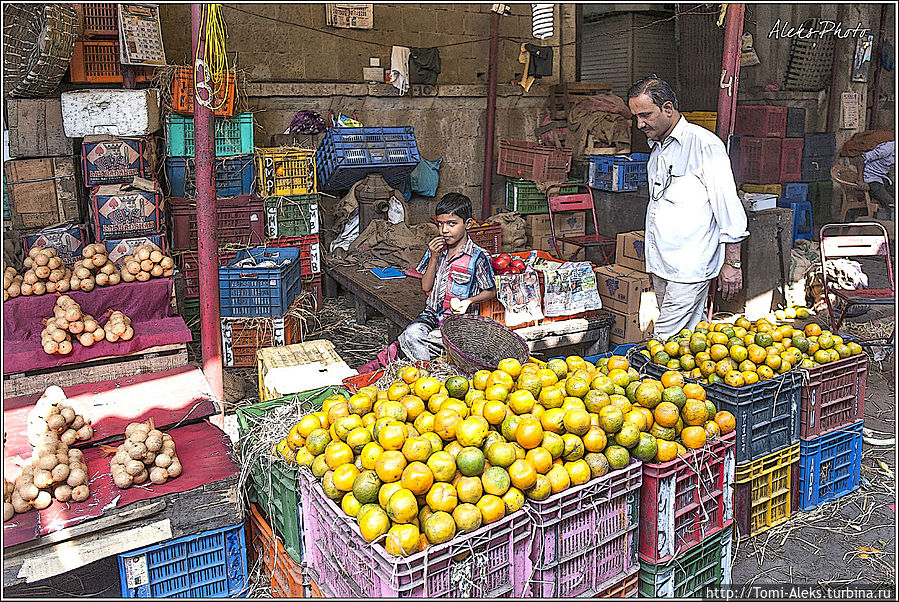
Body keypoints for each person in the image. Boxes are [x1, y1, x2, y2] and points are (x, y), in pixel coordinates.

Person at [626, 75, 749, 340]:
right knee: (687, 341)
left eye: (645, 115)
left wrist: (732, 263)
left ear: (668, 108)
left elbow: (728, 207)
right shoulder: (658, 149)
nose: (640, 124)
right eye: (636, 117)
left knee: (663, 340)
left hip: (690, 266)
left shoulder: (704, 146)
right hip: (661, 262)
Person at [397, 193, 496, 361]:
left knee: (433, 341)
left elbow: (491, 291)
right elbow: (425, 287)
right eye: (440, 224)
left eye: (452, 224)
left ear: (468, 224)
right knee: (412, 334)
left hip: (459, 320)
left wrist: (469, 301)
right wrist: (434, 258)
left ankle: (432, 366)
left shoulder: (478, 256)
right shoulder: (436, 250)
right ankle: (426, 374)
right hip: (431, 314)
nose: (444, 230)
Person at [856, 140, 894, 211]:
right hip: (870, 178)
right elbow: (861, 158)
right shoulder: (887, 149)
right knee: (891, 204)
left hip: (883, 178)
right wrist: (860, 181)